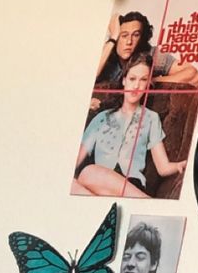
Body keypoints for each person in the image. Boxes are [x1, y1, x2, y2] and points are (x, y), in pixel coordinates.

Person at [72, 53, 187, 198]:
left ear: (148, 84)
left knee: (88, 173)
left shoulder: (151, 118)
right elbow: (75, 161)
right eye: (132, 79)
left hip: (131, 184)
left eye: (143, 80)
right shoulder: (102, 118)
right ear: (124, 80)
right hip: (98, 184)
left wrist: (179, 166)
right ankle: (144, 203)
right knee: (79, 179)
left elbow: (163, 167)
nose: (136, 86)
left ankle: (143, 200)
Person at [91, 10, 198, 113]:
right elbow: (88, 78)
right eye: (124, 35)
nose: (129, 41)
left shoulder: (151, 54)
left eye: (136, 35)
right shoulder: (106, 56)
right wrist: (113, 37)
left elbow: (193, 76)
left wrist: (152, 80)